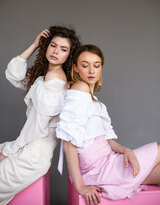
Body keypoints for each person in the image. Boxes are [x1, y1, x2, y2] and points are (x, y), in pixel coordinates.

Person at [56, 45, 160, 205]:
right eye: (85, 65)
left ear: (101, 68)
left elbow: (108, 140)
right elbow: (68, 141)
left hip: (109, 162)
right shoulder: (80, 89)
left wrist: (127, 150)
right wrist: (80, 186)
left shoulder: (96, 103)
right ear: (75, 68)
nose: (91, 71)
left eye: (96, 65)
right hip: (97, 169)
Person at [0, 26, 81, 205]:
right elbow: (13, 76)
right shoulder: (45, 76)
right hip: (29, 146)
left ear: (69, 56)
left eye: (63, 49)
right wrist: (35, 44)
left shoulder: (55, 80)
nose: (56, 51)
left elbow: (37, 127)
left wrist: (8, 152)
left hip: (34, 154)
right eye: (53, 45)